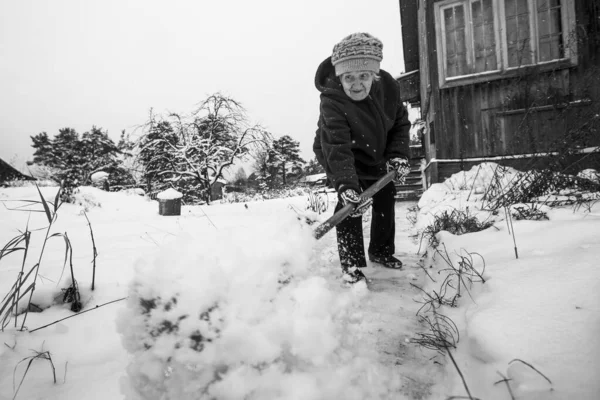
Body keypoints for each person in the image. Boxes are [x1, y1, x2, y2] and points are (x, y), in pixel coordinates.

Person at [313, 32, 411, 285]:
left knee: (385, 196)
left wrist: (398, 156)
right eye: (349, 77)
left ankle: (381, 251)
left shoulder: (388, 90)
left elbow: (400, 124)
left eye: (363, 76)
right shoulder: (332, 100)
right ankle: (351, 265)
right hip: (338, 151)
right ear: (339, 77)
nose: (356, 84)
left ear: (374, 75)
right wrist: (347, 184)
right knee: (349, 206)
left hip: (377, 153)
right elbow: (336, 145)